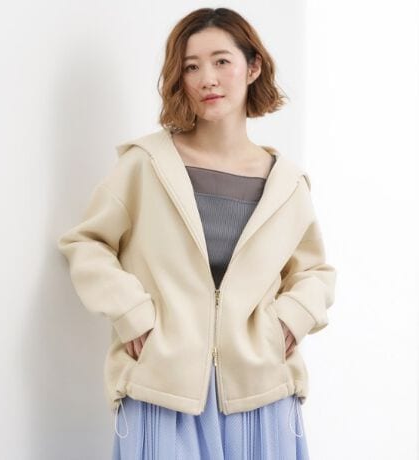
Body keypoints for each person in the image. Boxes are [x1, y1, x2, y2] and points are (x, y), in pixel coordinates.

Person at [57, 7, 337, 459]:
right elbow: (87, 243)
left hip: (261, 390)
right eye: (191, 67)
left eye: (221, 61)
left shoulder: (287, 183)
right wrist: (132, 312)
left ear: (253, 67)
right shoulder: (147, 165)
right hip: (163, 387)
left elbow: (315, 271)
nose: (207, 78)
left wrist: (290, 319)